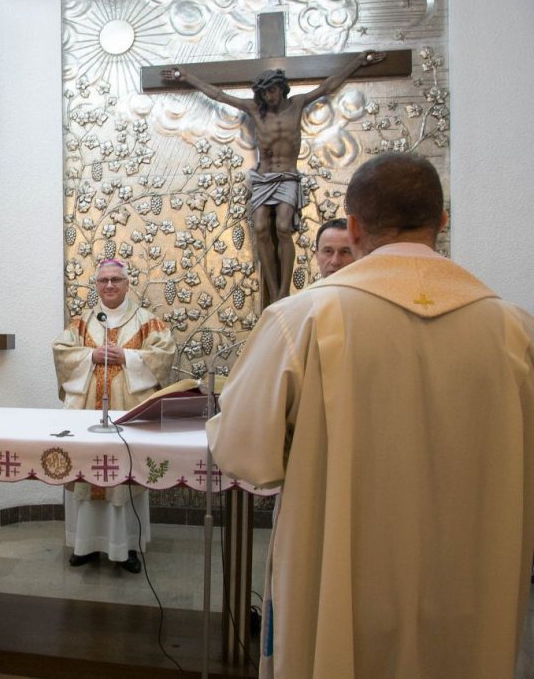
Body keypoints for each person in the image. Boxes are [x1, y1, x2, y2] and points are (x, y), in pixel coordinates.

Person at [206, 153, 534, 678]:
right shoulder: (513, 329)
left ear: (354, 227)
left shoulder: (304, 318)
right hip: (468, 580)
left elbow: (245, 454)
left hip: (338, 578)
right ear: (441, 221)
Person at [161, 50, 385, 307]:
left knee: (282, 227)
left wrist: (357, 62)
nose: (269, 96)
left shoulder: (297, 104)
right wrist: (186, 77)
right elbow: (219, 96)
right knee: (260, 228)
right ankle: (271, 286)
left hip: (287, 176)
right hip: (263, 178)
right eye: (265, 93)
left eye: (273, 91)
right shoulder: (255, 110)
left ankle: (282, 291)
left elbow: (328, 86)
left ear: (281, 88)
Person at [52, 259, 176, 573]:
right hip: (87, 415)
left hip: (127, 413)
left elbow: (164, 355)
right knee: (86, 471)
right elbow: (61, 351)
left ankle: (127, 547)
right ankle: (84, 545)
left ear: (127, 284)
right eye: (104, 280)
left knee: (124, 476)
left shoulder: (147, 321)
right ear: (96, 285)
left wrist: (128, 357)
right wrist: (90, 355)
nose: (109, 285)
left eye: (116, 280)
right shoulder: (82, 322)